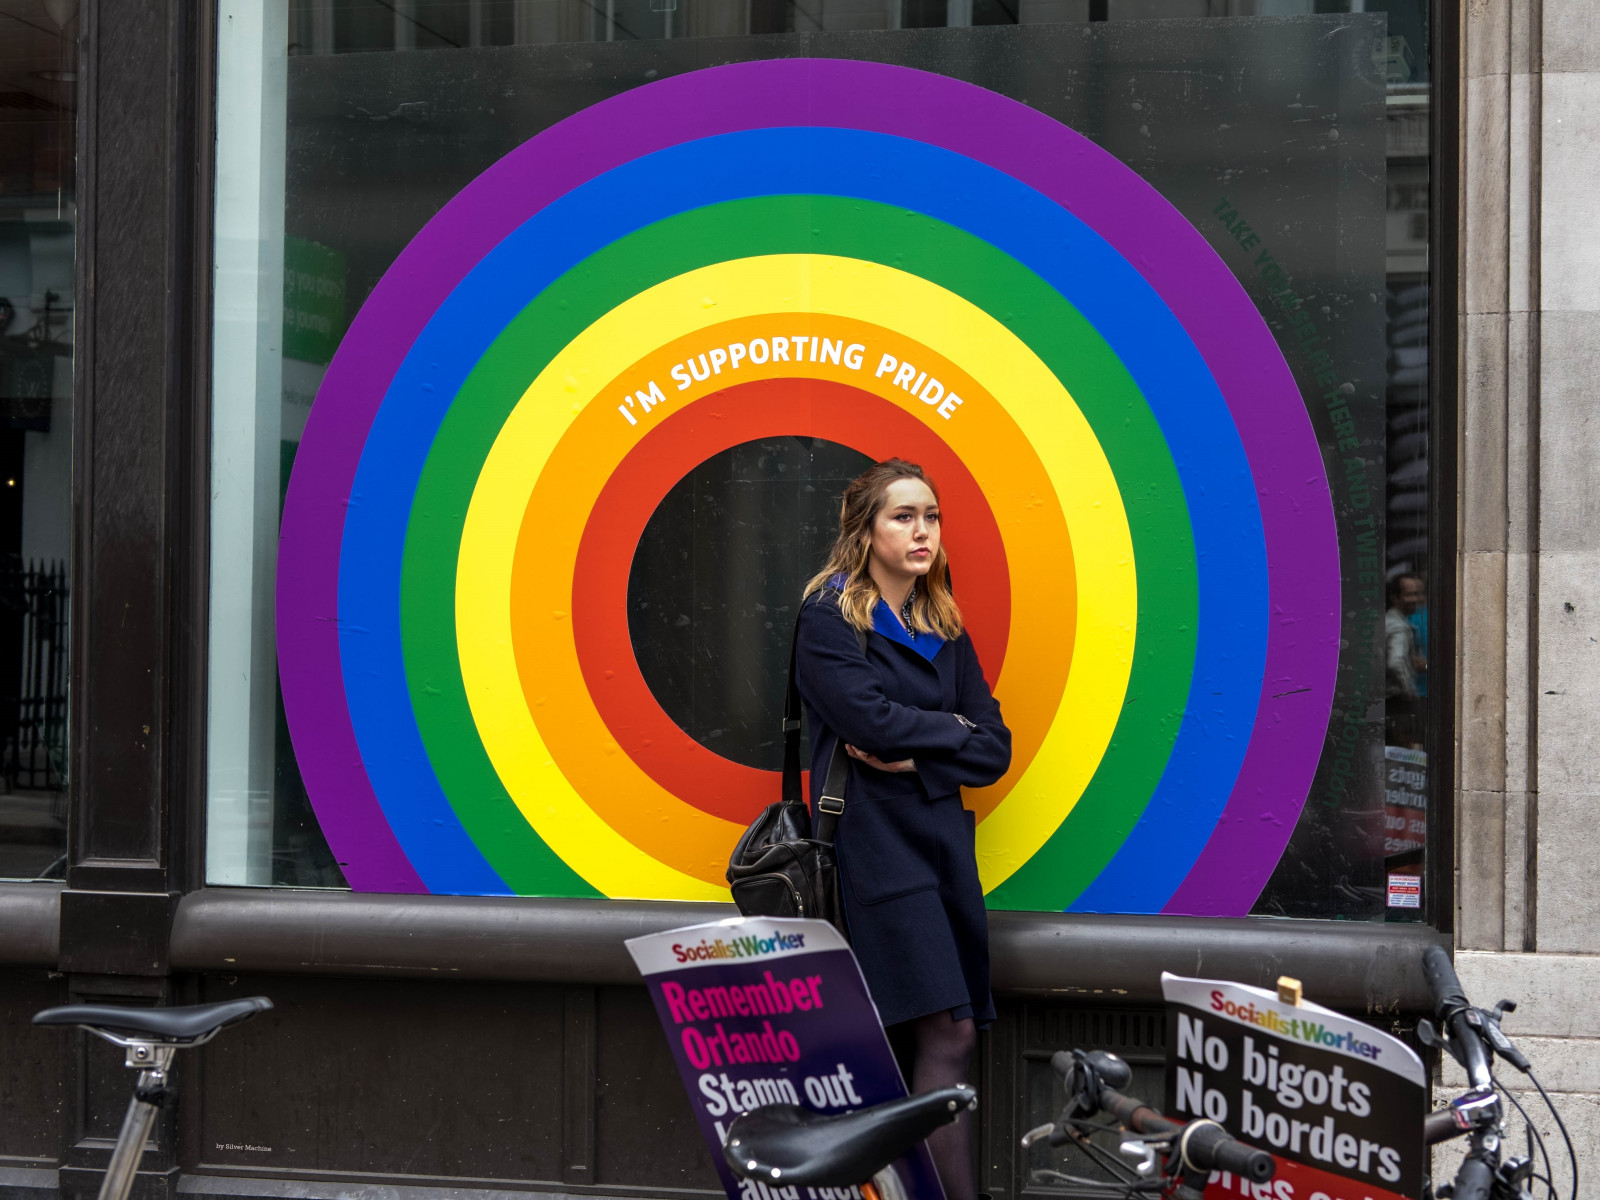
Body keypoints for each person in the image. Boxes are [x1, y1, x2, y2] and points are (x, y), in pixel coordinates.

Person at [794, 458, 1011, 1200]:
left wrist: (922, 753)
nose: (923, 532)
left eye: (932, 517)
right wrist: (947, 730)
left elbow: (994, 746)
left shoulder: (941, 622)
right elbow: (866, 724)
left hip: (940, 842)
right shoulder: (829, 618)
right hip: (873, 848)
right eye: (903, 517)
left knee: (939, 1035)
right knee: (942, 1035)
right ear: (865, 531)